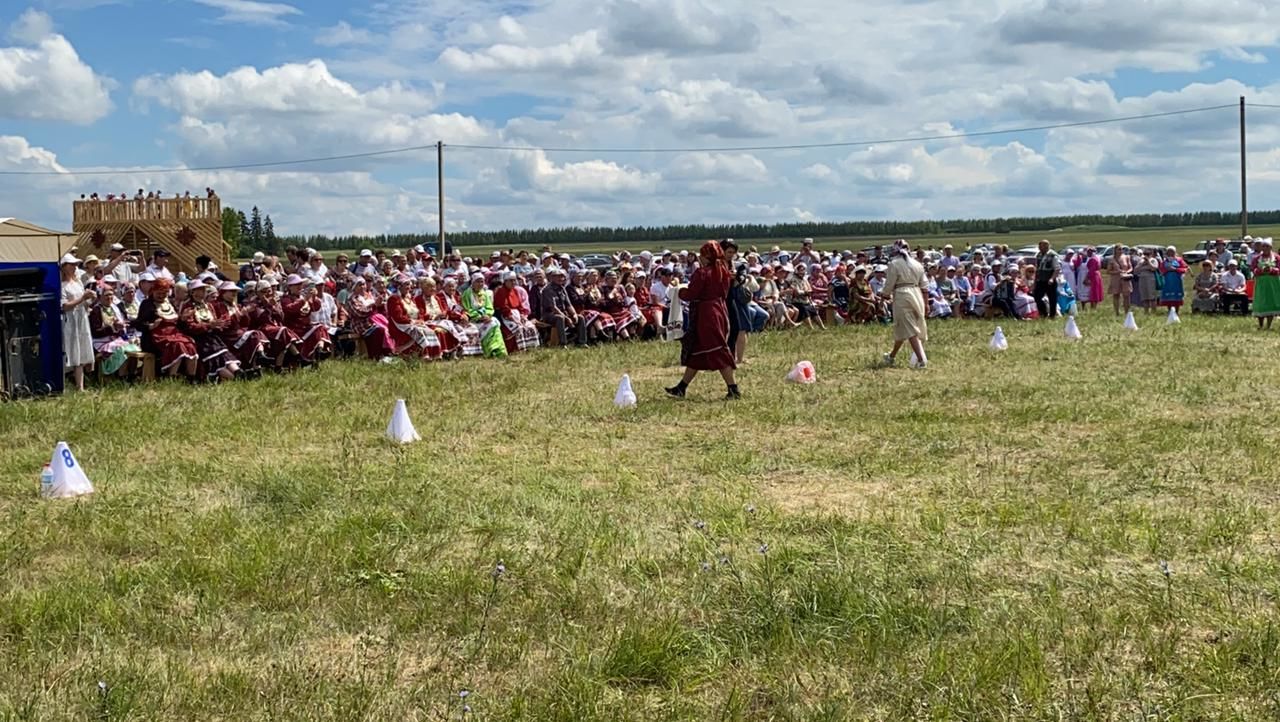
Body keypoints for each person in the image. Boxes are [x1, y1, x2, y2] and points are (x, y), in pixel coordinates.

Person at [665, 241, 740, 399]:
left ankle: (733, 389)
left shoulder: (703, 273)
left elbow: (692, 293)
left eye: (702, 254)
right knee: (697, 351)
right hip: (719, 310)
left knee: (717, 350)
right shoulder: (723, 271)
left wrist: (678, 291)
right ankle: (681, 387)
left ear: (708, 256)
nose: (699, 257)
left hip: (707, 315)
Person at [134, 278, 199, 379]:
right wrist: (151, 326)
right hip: (154, 338)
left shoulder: (170, 303)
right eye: (158, 293)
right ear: (153, 291)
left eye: (164, 293)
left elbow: (177, 324)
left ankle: (191, 377)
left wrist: (183, 318)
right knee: (178, 345)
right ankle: (170, 376)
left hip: (174, 334)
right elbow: (138, 324)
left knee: (190, 344)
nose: (161, 296)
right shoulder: (147, 304)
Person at [178, 281, 241, 382]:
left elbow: (214, 320)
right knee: (214, 357)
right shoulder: (188, 307)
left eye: (204, 289)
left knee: (223, 353)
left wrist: (218, 325)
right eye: (201, 289)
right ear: (193, 292)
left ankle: (238, 372)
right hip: (198, 338)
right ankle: (234, 378)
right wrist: (209, 325)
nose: (204, 292)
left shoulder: (208, 306)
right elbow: (190, 327)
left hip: (211, 336)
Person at [880, 240, 929, 368]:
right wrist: (926, 303)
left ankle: (921, 360)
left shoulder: (894, 264)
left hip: (902, 295)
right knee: (903, 327)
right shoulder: (917, 264)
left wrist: (884, 295)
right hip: (916, 294)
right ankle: (891, 356)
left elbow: (889, 284)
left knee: (909, 328)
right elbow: (925, 286)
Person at [60, 254, 96, 390]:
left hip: (81, 318)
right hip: (70, 321)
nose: (75, 267)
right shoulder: (62, 286)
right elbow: (64, 306)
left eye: (75, 265)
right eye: (71, 265)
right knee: (71, 349)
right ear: (64, 267)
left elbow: (85, 303)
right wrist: (82, 298)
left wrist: (91, 298)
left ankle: (80, 386)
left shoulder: (78, 282)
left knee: (80, 350)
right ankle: (64, 383)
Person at [462, 273, 507, 358]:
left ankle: (498, 351)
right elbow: (467, 309)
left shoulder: (484, 293)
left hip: (485, 318)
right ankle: (488, 351)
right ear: (473, 282)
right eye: (478, 282)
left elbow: (489, 307)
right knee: (491, 325)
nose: (480, 284)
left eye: (482, 282)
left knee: (494, 324)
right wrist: (479, 316)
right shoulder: (467, 294)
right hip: (473, 319)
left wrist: (488, 315)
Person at [494, 272, 541, 354]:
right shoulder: (501, 291)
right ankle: (519, 350)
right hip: (506, 317)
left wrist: (522, 316)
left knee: (530, 327)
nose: (513, 283)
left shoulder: (515, 291)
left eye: (514, 280)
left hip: (517, 315)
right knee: (519, 328)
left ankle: (531, 348)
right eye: (511, 281)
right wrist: (513, 319)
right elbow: (503, 307)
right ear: (505, 281)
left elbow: (520, 306)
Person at [1250, 238, 1280, 330]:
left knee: (1270, 302)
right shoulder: (1257, 258)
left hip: (1273, 283)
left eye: (1267, 246)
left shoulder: (1277, 257)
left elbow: (1279, 269)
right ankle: (1260, 324)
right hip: (1261, 283)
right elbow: (1253, 269)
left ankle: (1269, 325)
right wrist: (1260, 270)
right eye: (1263, 246)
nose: (1265, 248)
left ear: (1271, 247)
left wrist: (1272, 270)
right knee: (1261, 303)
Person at [1157, 246, 1189, 311]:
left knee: (1176, 296)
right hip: (1167, 281)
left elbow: (1185, 269)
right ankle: (1170, 310)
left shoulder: (1179, 260)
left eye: (1172, 252)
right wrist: (1167, 270)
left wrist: (1176, 269)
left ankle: (1176, 310)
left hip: (1177, 280)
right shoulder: (1164, 261)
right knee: (1168, 296)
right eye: (1169, 252)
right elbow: (1161, 270)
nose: (1170, 254)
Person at [1106, 246, 1133, 316]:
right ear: (1115, 250)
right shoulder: (1111, 259)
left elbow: (1131, 267)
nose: (1121, 251)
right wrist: (1117, 272)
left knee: (1126, 295)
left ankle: (1127, 312)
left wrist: (1127, 272)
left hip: (1125, 278)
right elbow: (1108, 271)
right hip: (1116, 278)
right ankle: (1117, 312)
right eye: (1119, 249)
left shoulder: (1126, 257)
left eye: (1121, 249)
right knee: (1116, 295)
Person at [1132, 248, 1160, 313]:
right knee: (1145, 297)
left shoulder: (1154, 260)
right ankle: (1146, 312)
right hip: (1142, 279)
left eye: (1148, 254)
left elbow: (1153, 268)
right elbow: (1136, 270)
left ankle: (1153, 311)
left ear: (1151, 254)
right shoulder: (1141, 261)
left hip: (1151, 279)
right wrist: (1142, 263)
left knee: (1152, 297)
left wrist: (1148, 262)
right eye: (1145, 254)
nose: (1146, 256)